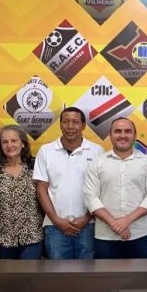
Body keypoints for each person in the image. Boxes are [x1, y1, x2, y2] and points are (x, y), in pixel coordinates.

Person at [84, 118, 147, 259]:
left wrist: (127, 220)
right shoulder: (97, 163)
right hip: (106, 236)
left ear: (135, 135)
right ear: (110, 135)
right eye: (118, 131)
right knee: (106, 274)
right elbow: (91, 197)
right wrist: (115, 223)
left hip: (140, 235)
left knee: (141, 273)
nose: (123, 135)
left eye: (128, 131)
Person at [33, 107, 103, 259]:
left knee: (87, 272)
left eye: (75, 122)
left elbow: (101, 189)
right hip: (55, 227)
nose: (70, 126)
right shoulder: (46, 151)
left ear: (83, 125)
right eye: (66, 122)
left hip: (88, 225)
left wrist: (87, 218)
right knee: (58, 273)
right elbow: (41, 190)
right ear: (60, 124)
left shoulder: (97, 151)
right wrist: (56, 220)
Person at [0, 125, 44, 259]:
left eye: (14, 140)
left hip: (32, 236)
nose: (10, 145)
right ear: (0, 146)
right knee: (8, 273)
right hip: (4, 239)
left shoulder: (35, 166)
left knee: (28, 272)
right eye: (5, 142)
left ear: (23, 143)